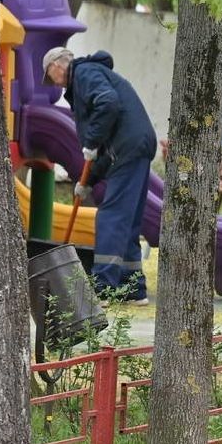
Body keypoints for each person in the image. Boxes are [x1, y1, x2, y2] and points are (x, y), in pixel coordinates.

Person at [42, 48, 158, 304]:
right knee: (127, 220)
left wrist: (91, 140)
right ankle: (132, 288)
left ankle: (103, 287)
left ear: (57, 65)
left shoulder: (83, 72)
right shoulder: (88, 75)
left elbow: (108, 103)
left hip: (128, 147)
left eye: (49, 75)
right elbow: (103, 150)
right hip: (135, 145)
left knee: (111, 217)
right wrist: (88, 182)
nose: (53, 82)